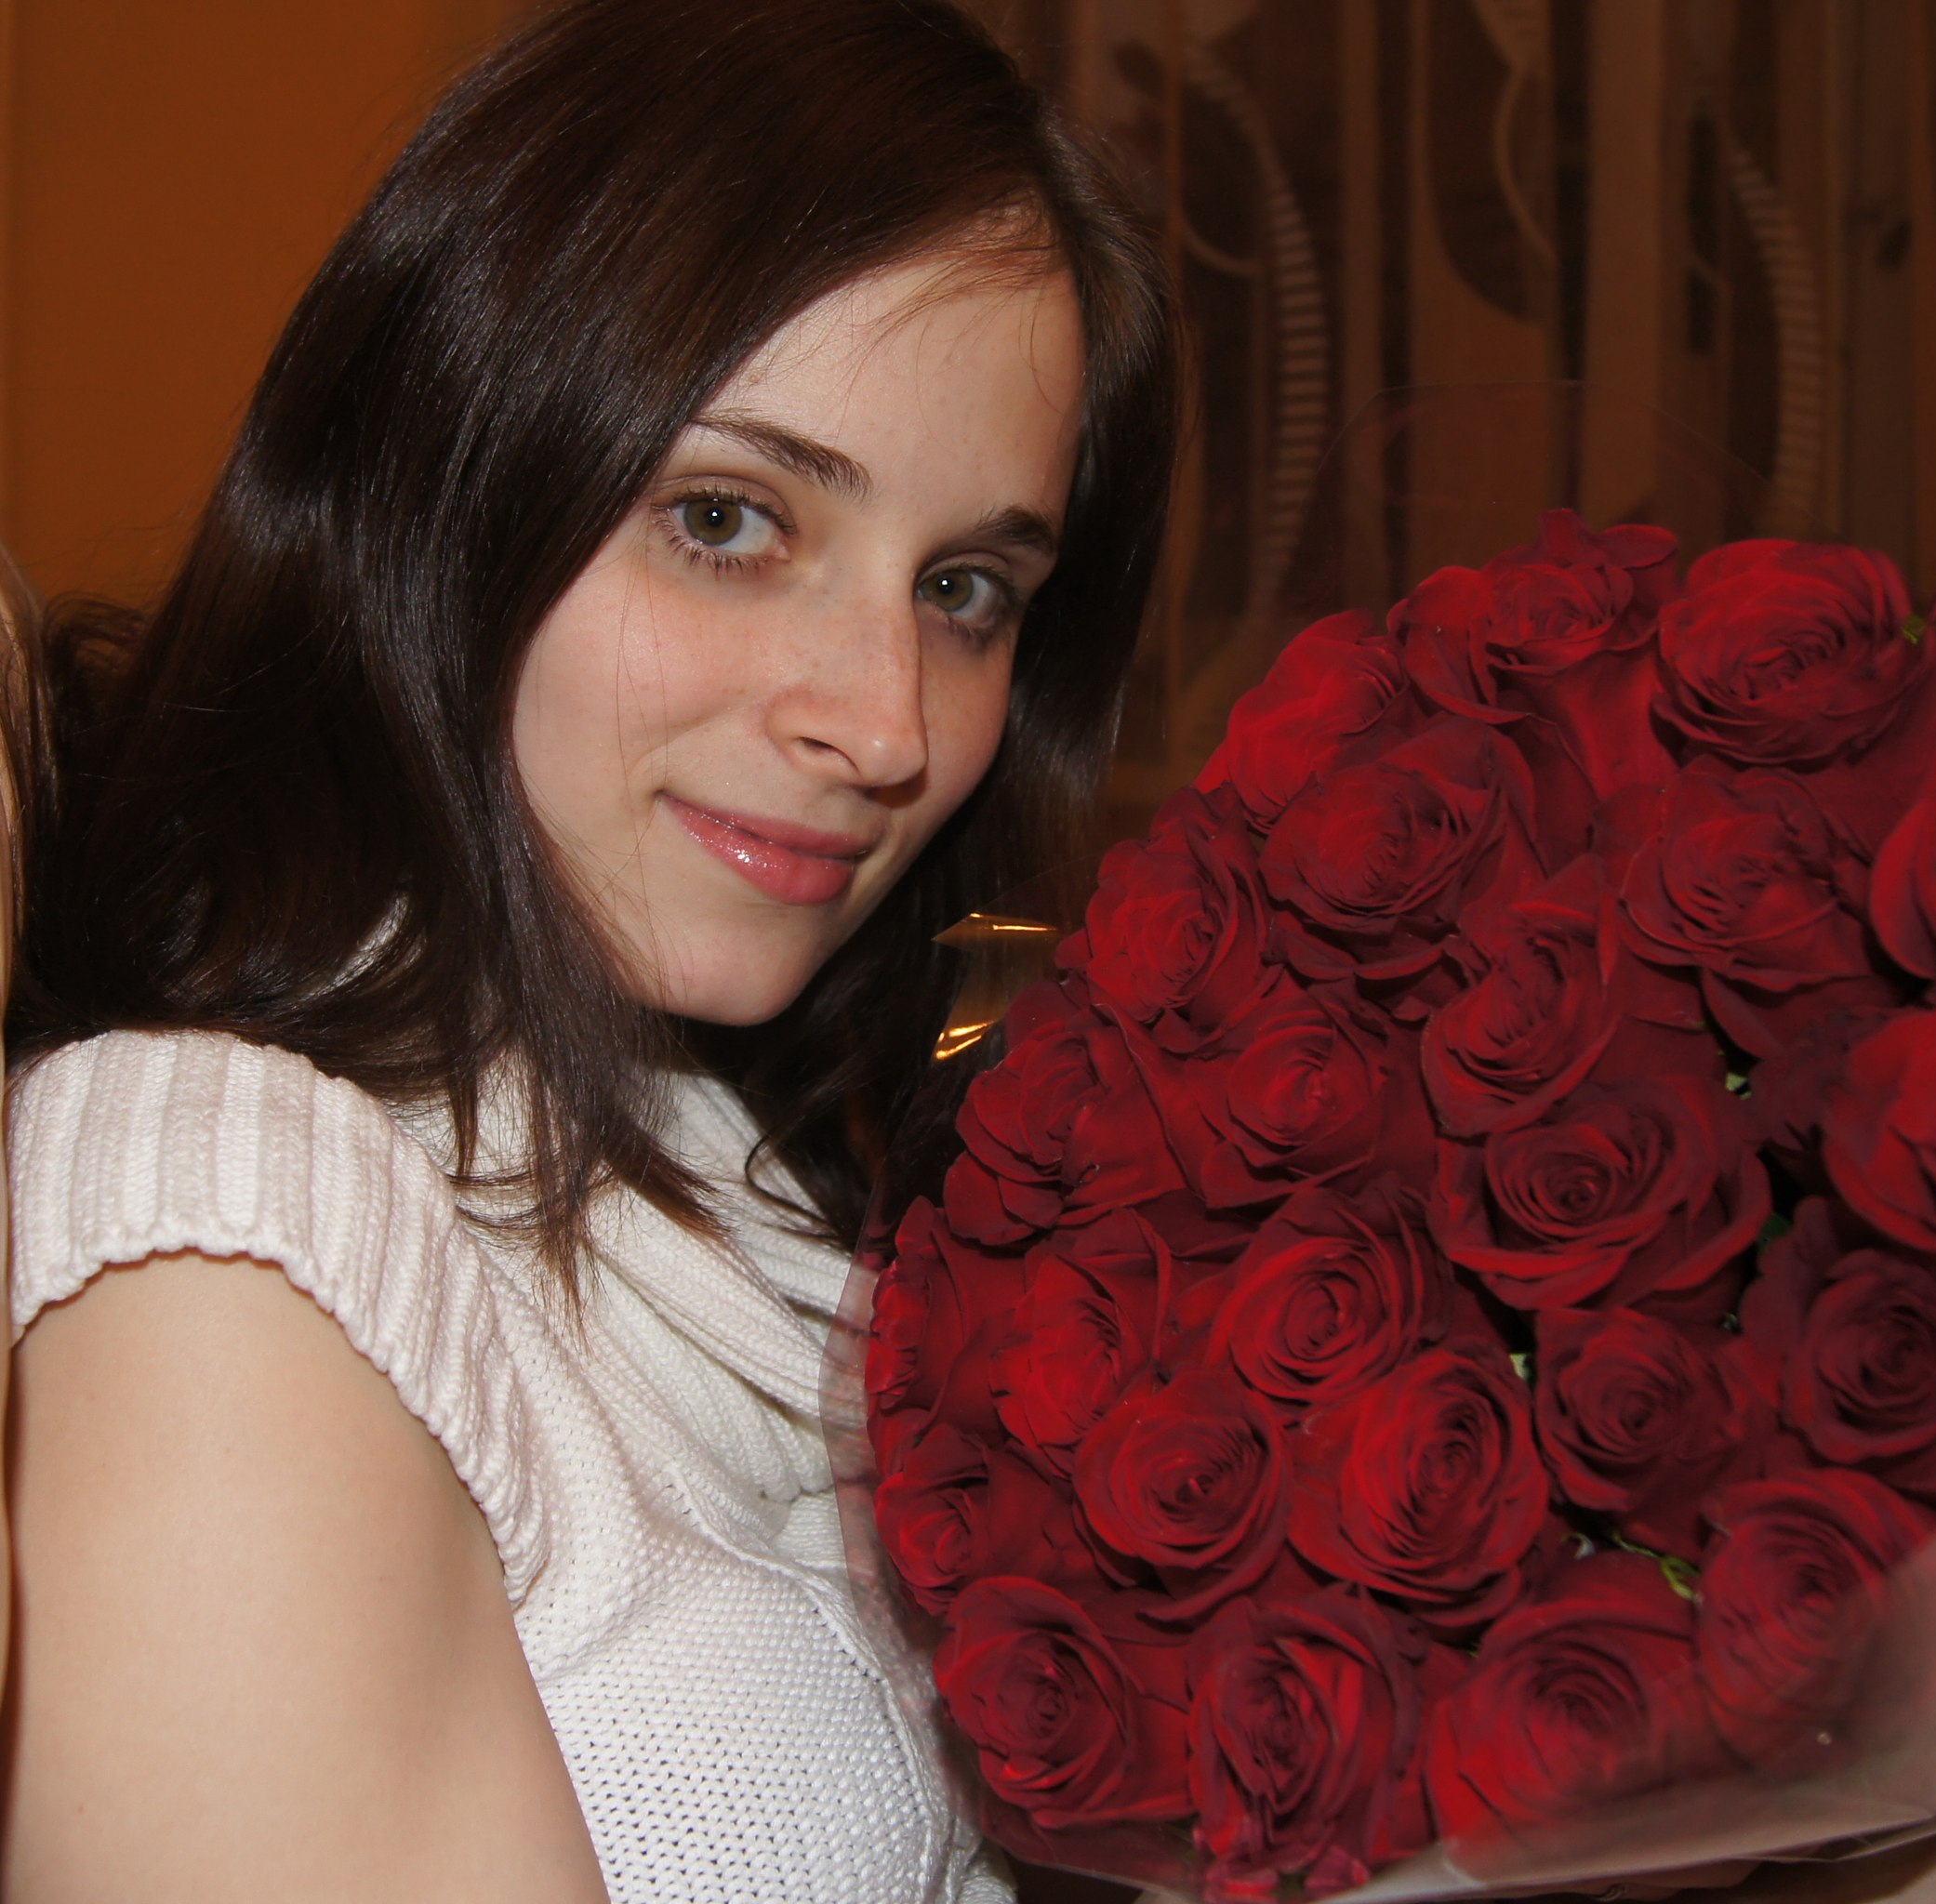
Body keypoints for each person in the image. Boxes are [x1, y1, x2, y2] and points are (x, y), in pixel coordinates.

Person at [0, 1, 1177, 1897]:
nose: (888, 720)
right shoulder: (222, 1229)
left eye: (966, 589)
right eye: (727, 520)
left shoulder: (742, 1176)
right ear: (434, 485)